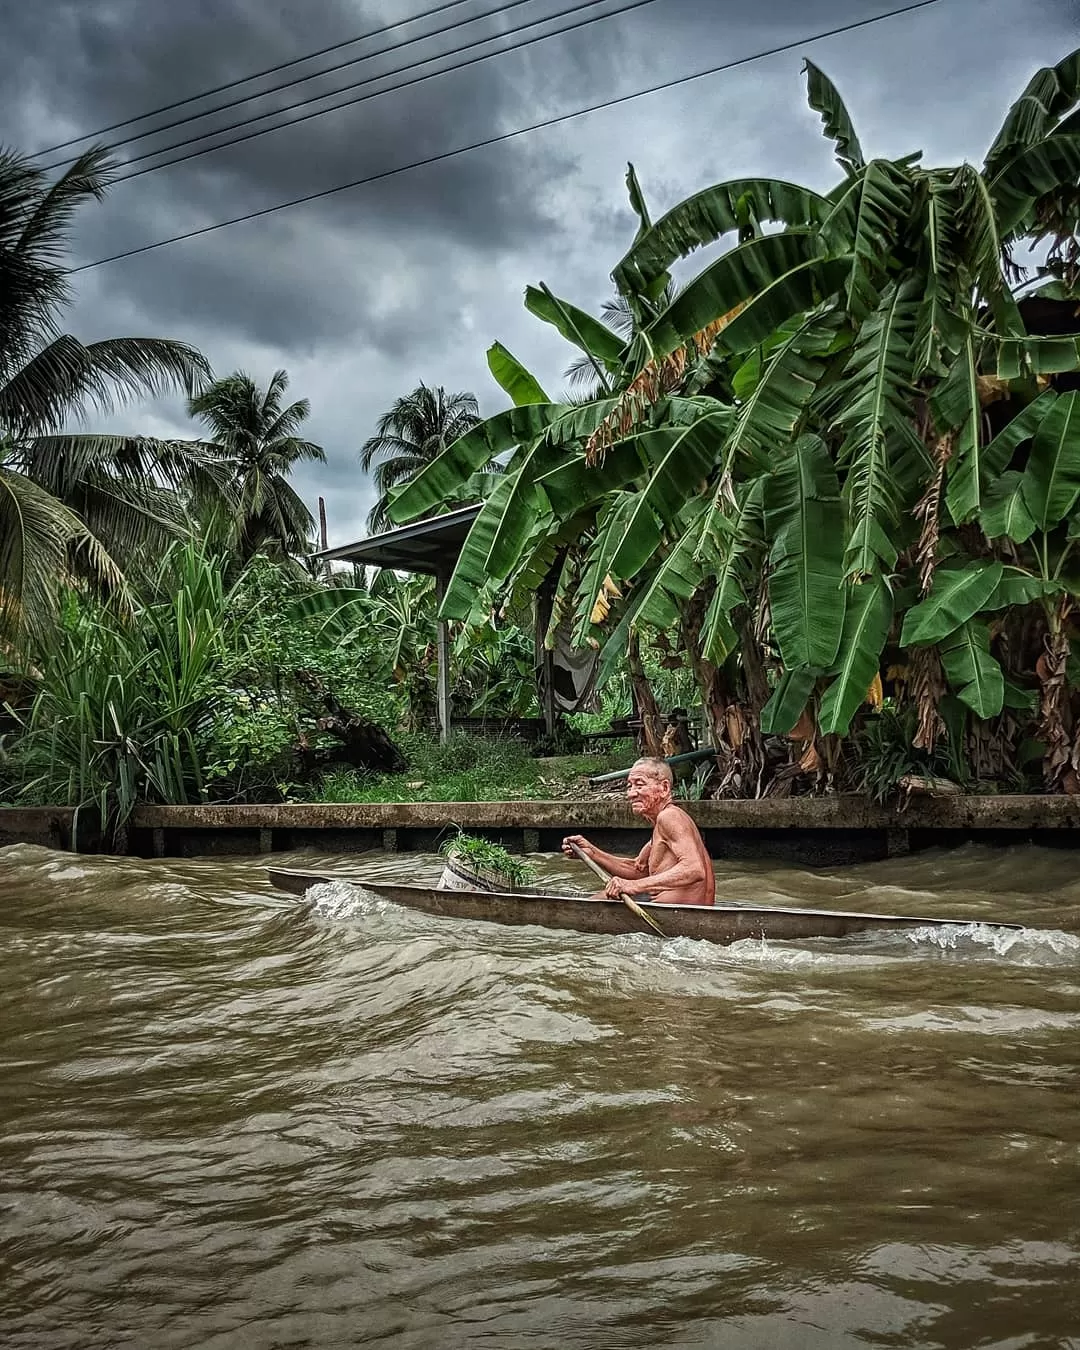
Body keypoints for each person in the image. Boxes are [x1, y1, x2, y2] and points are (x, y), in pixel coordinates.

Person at [563, 757, 715, 906]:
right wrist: (591, 853)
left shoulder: (669, 817)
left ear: (664, 788)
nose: (631, 794)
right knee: (604, 896)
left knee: (597, 902)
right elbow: (637, 868)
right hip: (673, 911)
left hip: (680, 915)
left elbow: (694, 870)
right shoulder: (662, 826)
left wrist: (633, 886)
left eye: (639, 785)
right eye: (629, 786)